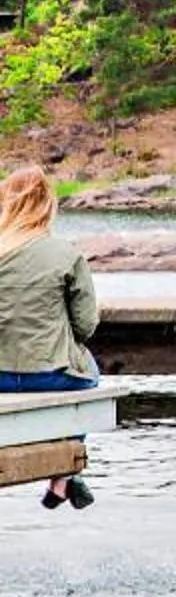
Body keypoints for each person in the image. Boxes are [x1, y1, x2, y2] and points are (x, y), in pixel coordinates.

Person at [0, 167, 100, 512]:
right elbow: (85, 326)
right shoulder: (65, 254)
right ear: (48, 206)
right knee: (89, 370)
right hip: (51, 374)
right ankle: (62, 477)